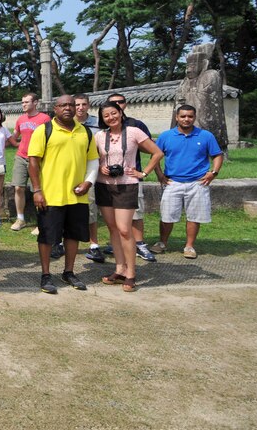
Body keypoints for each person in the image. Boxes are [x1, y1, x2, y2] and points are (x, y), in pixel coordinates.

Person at [27, 94, 99, 294]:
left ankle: (69, 271)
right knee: (47, 236)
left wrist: (88, 182)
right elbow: (33, 161)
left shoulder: (85, 132)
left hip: (77, 195)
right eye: (63, 105)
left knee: (73, 235)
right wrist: (37, 190)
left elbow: (93, 159)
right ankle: (46, 274)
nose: (68, 108)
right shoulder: (44, 130)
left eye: (71, 105)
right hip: (50, 195)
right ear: (55, 109)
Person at [95, 102, 164, 292]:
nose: (111, 118)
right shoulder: (100, 136)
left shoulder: (134, 132)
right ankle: (119, 268)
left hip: (127, 186)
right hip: (104, 185)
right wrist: (101, 167)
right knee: (113, 229)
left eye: (114, 113)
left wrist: (144, 172)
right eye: (106, 115)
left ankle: (131, 273)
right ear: (102, 119)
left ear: (120, 113)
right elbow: (96, 159)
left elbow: (157, 152)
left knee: (125, 229)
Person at [153, 105, 224, 259]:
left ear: (194, 117)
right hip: (173, 182)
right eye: (183, 116)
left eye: (190, 116)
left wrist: (213, 172)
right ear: (177, 117)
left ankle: (189, 246)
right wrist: (159, 175)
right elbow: (156, 157)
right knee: (167, 215)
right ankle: (162, 242)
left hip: (197, 182)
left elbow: (217, 155)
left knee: (194, 216)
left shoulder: (205, 136)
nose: (186, 119)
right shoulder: (166, 136)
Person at [106, 93, 158, 262]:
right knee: (114, 219)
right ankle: (116, 244)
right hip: (108, 182)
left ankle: (140, 244)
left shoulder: (135, 126)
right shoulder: (103, 130)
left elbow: (152, 150)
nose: (115, 107)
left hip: (130, 179)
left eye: (119, 103)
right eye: (111, 104)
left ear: (124, 106)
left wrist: (144, 173)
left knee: (136, 214)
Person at [74, 93, 108, 263]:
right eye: (77, 104)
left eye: (83, 104)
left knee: (90, 208)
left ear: (88, 105)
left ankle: (93, 244)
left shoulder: (97, 124)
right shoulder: (66, 122)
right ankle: (59, 242)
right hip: (68, 171)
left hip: (89, 171)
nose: (80, 108)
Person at [10, 92, 51, 232]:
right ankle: (20, 218)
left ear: (35, 103)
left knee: (38, 189)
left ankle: (41, 221)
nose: (24, 104)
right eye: (22, 102)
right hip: (21, 156)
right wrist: (17, 144)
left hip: (38, 158)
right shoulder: (20, 119)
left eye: (26, 102)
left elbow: (50, 138)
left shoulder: (45, 119)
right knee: (18, 187)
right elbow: (14, 136)